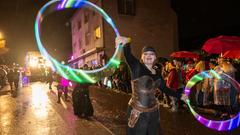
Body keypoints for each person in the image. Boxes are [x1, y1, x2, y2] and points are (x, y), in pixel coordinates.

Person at [116, 36, 182, 135]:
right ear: (142, 57)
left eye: (151, 54)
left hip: (153, 112)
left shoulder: (157, 72)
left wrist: (180, 96)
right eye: (145, 54)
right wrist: (126, 44)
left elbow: (164, 88)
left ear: (155, 57)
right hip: (138, 112)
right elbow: (128, 56)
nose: (148, 56)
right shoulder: (137, 67)